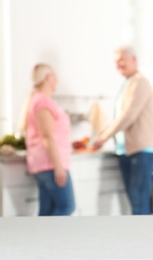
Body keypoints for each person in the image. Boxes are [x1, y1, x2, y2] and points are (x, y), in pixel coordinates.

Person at [94, 46, 153, 215]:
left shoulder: (140, 82)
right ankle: (138, 238)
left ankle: (143, 240)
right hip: (126, 150)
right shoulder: (126, 83)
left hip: (141, 150)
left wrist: (104, 137)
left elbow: (128, 115)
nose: (119, 64)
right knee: (134, 202)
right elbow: (120, 116)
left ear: (134, 60)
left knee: (139, 203)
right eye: (116, 61)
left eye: (122, 59)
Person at [25, 63, 75, 216]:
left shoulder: (37, 100)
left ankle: (41, 240)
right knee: (66, 207)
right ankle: (52, 240)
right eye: (55, 76)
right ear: (48, 78)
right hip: (51, 163)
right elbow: (46, 136)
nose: (57, 80)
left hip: (44, 164)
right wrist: (58, 166)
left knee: (46, 212)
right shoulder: (42, 102)